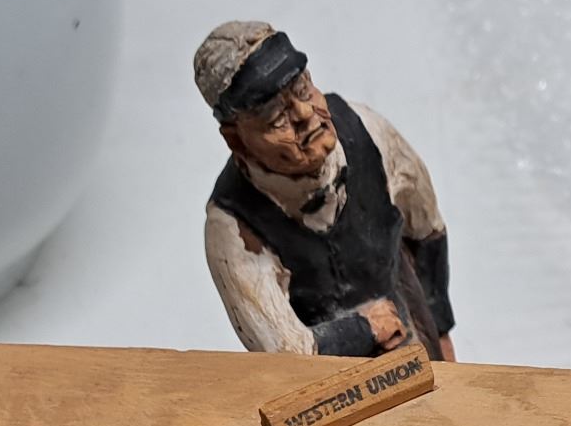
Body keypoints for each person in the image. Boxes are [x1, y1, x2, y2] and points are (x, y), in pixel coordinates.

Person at [193, 20, 454, 360]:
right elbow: (284, 351)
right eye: (276, 118)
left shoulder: (369, 132)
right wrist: (365, 328)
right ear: (236, 140)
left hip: (414, 343)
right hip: (326, 381)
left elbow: (427, 229)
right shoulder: (232, 227)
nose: (305, 115)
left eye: (304, 90)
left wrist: (440, 330)